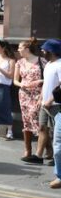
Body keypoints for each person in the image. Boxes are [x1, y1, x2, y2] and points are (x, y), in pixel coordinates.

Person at [15, 39, 45, 163]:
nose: (18, 50)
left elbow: (47, 80)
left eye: (20, 48)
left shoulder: (41, 61)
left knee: (37, 121)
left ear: (27, 49)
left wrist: (41, 92)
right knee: (26, 121)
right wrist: (23, 85)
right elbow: (15, 81)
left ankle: (42, 151)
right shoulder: (19, 62)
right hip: (24, 95)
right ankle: (27, 150)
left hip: (38, 95)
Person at [40, 39, 61, 188]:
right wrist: (41, 98)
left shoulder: (60, 64)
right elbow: (47, 83)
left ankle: (59, 176)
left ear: (51, 51)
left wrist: (50, 99)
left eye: (44, 50)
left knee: (58, 145)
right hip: (47, 106)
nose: (42, 52)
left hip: (58, 107)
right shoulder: (48, 64)